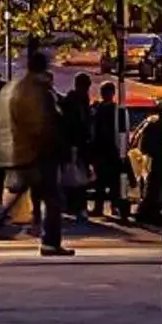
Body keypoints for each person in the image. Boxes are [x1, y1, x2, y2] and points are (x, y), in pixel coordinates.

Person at [0, 45, 68, 253]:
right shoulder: (35, 91)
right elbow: (41, 123)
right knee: (53, 198)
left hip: (16, 151)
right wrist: (54, 145)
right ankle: (50, 242)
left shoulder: (13, 88)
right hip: (35, 152)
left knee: (18, 197)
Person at [90, 79, 128, 224]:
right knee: (111, 181)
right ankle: (113, 206)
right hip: (110, 150)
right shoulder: (115, 109)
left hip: (104, 150)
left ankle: (102, 207)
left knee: (103, 180)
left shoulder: (100, 109)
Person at [60, 71, 97, 221]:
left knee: (75, 177)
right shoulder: (76, 101)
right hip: (77, 145)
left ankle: (74, 206)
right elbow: (77, 124)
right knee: (77, 178)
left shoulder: (77, 100)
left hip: (78, 145)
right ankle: (77, 206)